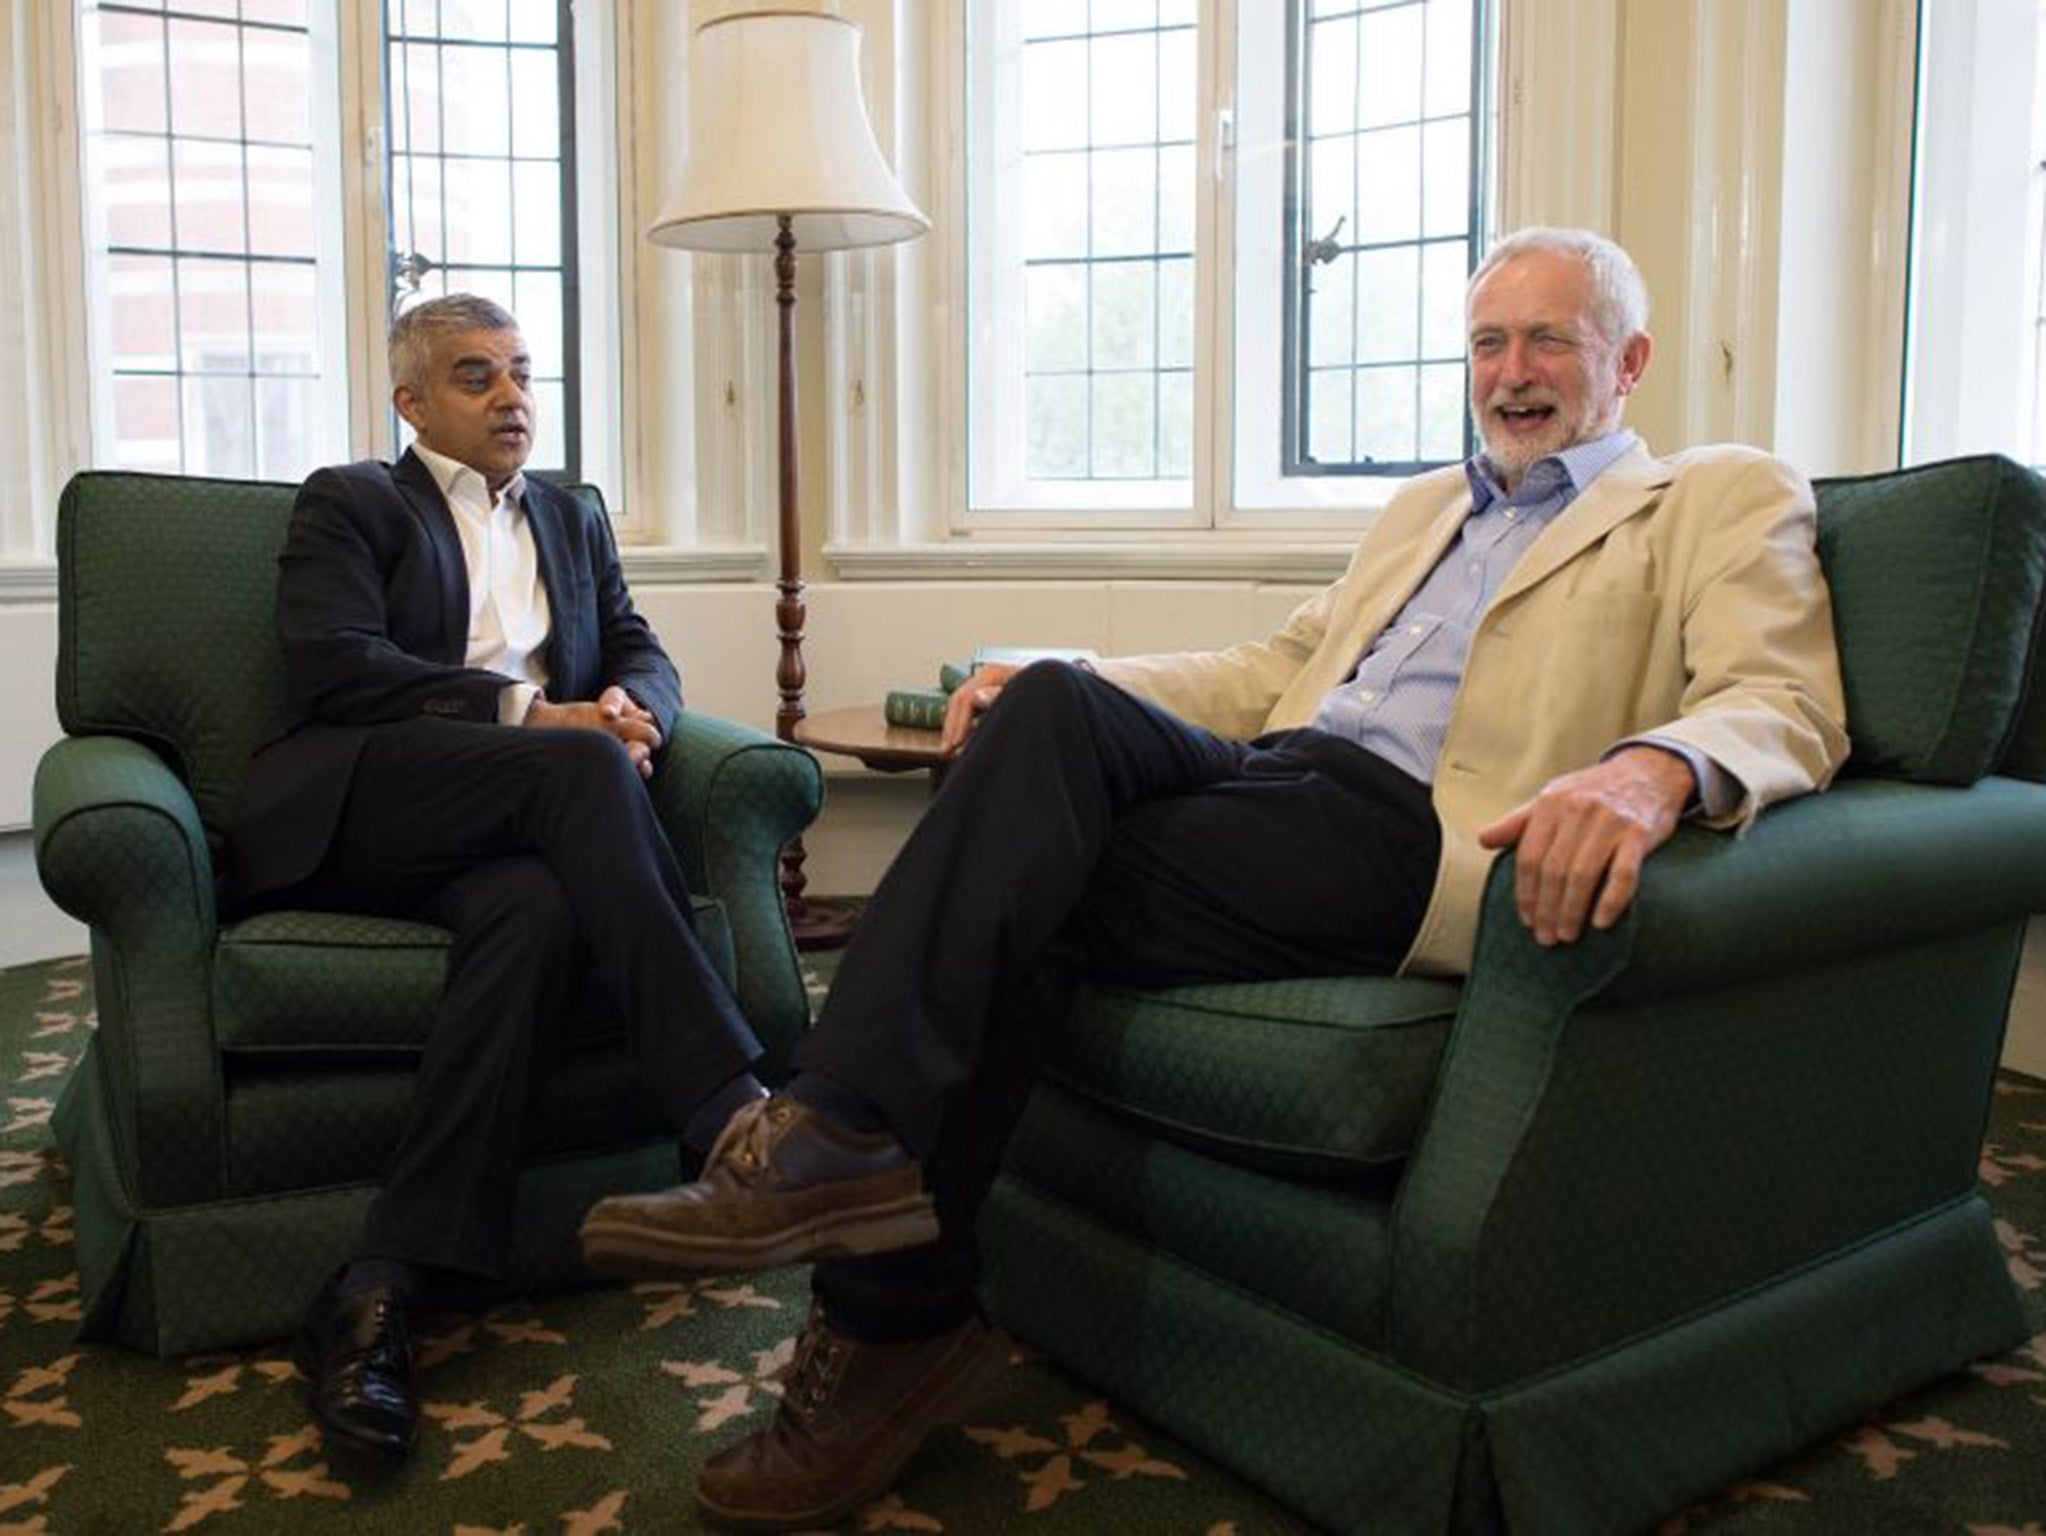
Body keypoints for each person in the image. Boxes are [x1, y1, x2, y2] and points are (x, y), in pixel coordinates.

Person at [578, 228, 1851, 1529]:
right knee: (1046, 733)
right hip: (1279, 789)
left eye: (1546, 342)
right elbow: (1271, 670)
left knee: (1013, 866)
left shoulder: (1715, 495)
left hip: (1416, 835)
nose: (1508, 372)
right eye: (1485, 341)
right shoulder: (1426, 505)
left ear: (1626, 361)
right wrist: (1044, 689)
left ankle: (847, 1202)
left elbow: (1783, 699)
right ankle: (879, 1266)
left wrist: (1649, 771)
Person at [223, 294, 772, 1464]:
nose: (514, 396)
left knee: (531, 916)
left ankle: (380, 1288)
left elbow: (637, 642)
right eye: (477, 376)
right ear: (412, 402)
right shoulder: (353, 500)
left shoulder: (570, 515)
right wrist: (539, 715)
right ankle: (730, 1111)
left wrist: (635, 713)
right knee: (572, 767)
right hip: (371, 800)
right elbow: (336, 664)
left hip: (518, 833)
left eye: (523, 373)